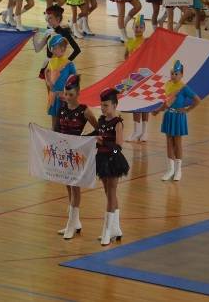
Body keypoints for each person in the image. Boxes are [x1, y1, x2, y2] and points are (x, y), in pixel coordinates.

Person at [55, 74, 99, 239]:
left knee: (75, 186)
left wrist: (84, 141)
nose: (67, 97)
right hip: (64, 152)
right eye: (66, 94)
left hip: (77, 153)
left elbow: (98, 129)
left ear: (78, 93)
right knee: (68, 183)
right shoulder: (62, 108)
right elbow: (57, 129)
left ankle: (71, 224)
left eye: (71, 94)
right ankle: (76, 221)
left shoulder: (84, 110)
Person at [86, 88, 130, 246]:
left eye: (106, 105)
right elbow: (96, 134)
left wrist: (103, 142)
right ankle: (116, 229)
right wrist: (81, 139)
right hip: (102, 159)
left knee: (111, 194)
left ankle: (107, 231)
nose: (103, 108)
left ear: (114, 105)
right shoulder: (102, 120)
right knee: (108, 192)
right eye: (101, 105)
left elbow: (118, 147)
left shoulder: (118, 123)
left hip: (113, 161)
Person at [153, 60, 201, 181]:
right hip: (169, 116)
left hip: (178, 117)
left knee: (177, 143)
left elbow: (197, 99)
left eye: (176, 74)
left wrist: (187, 110)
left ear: (181, 75)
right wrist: (158, 110)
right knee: (169, 142)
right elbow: (167, 103)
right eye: (172, 73)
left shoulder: (183, 88)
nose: (174, 76)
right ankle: (170, 169)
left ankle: (178, 170)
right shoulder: (168, 85)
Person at [125, 15, 150, 142]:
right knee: (134, 103)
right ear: (132, 27)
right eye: (136, 27)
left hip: (144, 76)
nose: (138, 29)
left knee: (144, 102)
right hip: (132, 76)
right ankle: (136, 131)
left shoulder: (147, 42)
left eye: (141, 27)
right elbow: (126, 57)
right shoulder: (129, 42)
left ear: (144, 28)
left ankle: (144, 132)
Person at [45, 34, 78, 131]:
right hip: (54, 94)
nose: (53, 51)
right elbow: (47, 72)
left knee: (63, 116)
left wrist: (68, 92)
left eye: (55, 48)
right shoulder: (51, 62)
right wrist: (49, 82)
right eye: (52, 49)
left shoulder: (69, 63)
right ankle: (53, 130)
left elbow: (74, 78)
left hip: (63, 95)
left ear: (63, 48)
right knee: (54, 115)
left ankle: (61, 131)